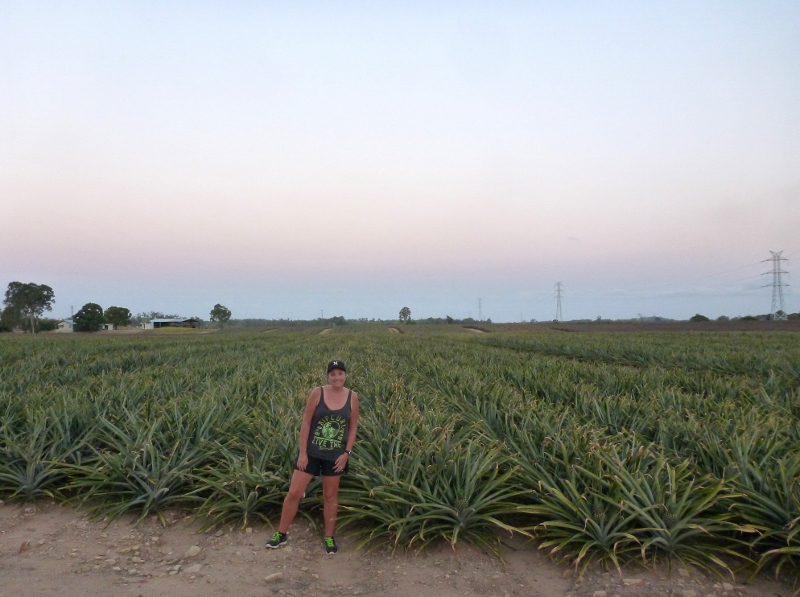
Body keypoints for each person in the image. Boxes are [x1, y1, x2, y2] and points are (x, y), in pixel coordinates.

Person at [266, 359, 359, 555]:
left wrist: (347, 453)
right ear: (328, 376)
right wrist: (302, 453)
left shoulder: (352, 397)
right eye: (333, 374)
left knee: (330, 496)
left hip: (335, 456)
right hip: (311, 453)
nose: (337, 377)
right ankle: (281, 533)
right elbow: (306, 423)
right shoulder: (318, 393)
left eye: (340, 373)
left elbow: (352, 427)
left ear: (346, 375)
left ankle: (329, 536)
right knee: (294, 493)